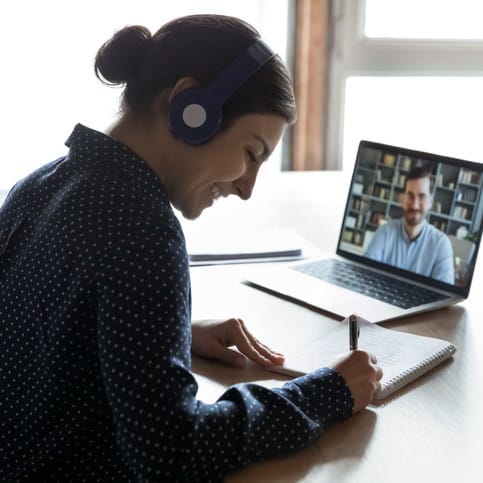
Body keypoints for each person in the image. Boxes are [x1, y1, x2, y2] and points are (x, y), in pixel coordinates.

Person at [0, 14, 382, 482]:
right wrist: (328, 393)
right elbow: (174, 452)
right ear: (190, 107)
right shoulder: (141, 228)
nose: (247, 188)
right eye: (251, 153)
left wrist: (160, 337)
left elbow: (38, 334)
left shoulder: (39, 185)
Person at [365, 166, 454, 284]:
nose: (415, 205)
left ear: (430, 202)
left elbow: (443, 297)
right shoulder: (385, 232)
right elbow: (364, 274)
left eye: (422, 196)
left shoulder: (441, 244)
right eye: (410, 196)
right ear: (402, 199)